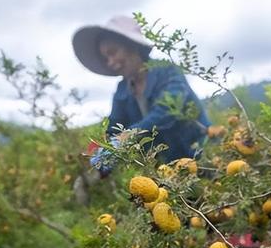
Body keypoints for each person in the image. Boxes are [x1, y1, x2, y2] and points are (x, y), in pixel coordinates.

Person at [70, 15, 211, 203]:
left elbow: (165, 113)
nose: (110, 62)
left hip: (200, 158)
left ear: (132, 46)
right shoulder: (122, 91)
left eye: (113, 52)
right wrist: (98, 161)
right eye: (106, 58)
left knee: (217, 211)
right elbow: (114, 128)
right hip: (167, 175)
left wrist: (126, 138)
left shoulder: (168, 72)